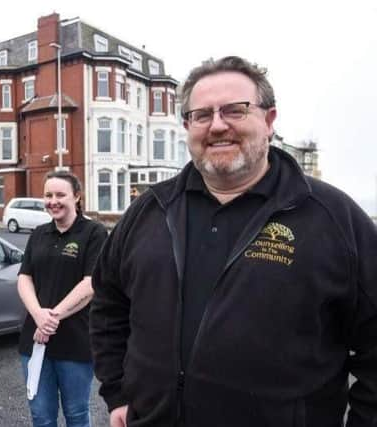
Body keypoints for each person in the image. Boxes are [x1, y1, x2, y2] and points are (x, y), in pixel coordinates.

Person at [90, 55, 377, 427]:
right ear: (187, 125)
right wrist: (117, 392)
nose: (218, 126)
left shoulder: (332, 217)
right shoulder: (150, 209)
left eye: (235, 111)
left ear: (269, 120)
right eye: (202, 115)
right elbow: (108, 302)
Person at [18, 170, 107, 427]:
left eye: (60, 195)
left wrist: (51, 318)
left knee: (76, 414)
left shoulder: (93, 233)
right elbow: (25, 278)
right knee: (41, 416)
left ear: (77, 196)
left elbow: (90, 284)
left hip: (75, 342)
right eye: (48, 195)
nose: (53, 201)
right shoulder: (38, 234)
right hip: (34, 340)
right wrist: (38, 316)